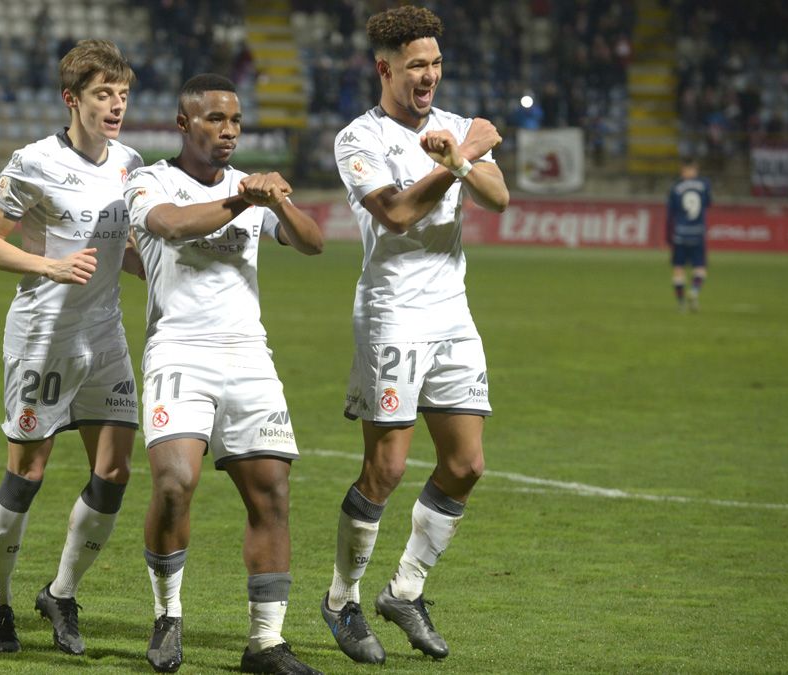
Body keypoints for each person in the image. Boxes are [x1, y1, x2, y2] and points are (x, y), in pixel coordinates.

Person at [321, 5, 509, 665]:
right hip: (392, 312)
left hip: (453, 313)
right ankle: (342, 599)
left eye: (434, 64)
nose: (428, 76)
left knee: (466, 464)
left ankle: (405, 589)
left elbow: (499, 196)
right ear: (384, 68)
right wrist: (455, 164)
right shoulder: (358, 140)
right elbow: (397, 214)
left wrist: (459, 156)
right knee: (388, 467)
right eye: (415, 66)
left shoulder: (454, 128)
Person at [124, 73, 325, 675]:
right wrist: (245, 200)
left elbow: (312, 243)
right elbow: (171, 226)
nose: (229, 131)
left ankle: (266, 643)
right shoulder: (149, 181)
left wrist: (279, 200)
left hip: (249, 356)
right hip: (179, 350)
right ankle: (168, 614)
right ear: (184, 124)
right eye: (215, 119)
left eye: (235, 121)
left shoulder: (251, 188)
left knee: (272, 495)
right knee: (173, 483)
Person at [0, 39, 145, 656]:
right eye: (104, 94)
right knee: (28, 473)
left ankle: (62, 592)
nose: (116, 105)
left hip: (105, 336)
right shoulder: (33, 162)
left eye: (123, 94)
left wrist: (162, 271)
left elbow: (118, 252)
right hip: (43, 336)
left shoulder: (130, 162)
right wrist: (48, 265)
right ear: (72, 99)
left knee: (115, 471)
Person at [666, 157, 711, 312]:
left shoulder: (675, 187)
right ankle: (694, 291)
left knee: (678, 268)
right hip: (698, 233)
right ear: (694, 169)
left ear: (682, 170)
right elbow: (708, 204)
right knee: (700, 267)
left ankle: (681, 303)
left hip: (680, 233)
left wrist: (668, 235)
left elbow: (670, 213)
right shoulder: (704, 185)